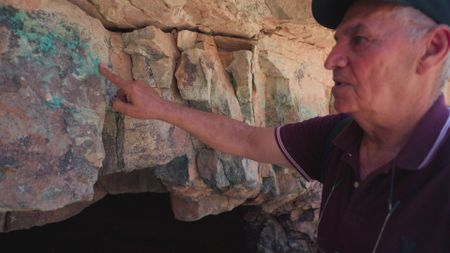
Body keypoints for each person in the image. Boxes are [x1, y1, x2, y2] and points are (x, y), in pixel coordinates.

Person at [99, 0, 450, 252]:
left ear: (432, 48)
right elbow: (249, 139)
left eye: (359, 40)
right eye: (336, 41)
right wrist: (159, 108)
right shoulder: (339, 137)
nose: (332, 60)